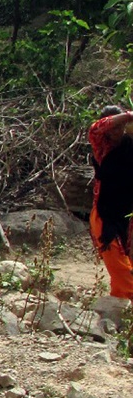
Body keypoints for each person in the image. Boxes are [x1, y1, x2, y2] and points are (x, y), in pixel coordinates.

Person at [86, 105, 133, 299]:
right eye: (113, 126)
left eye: (120, 127)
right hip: (105, 215)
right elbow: (97, 127)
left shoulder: (130, 144)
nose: (116, 131)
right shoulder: (101, 145)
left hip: (128, 215)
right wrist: (128, 115)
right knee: (121, 269)